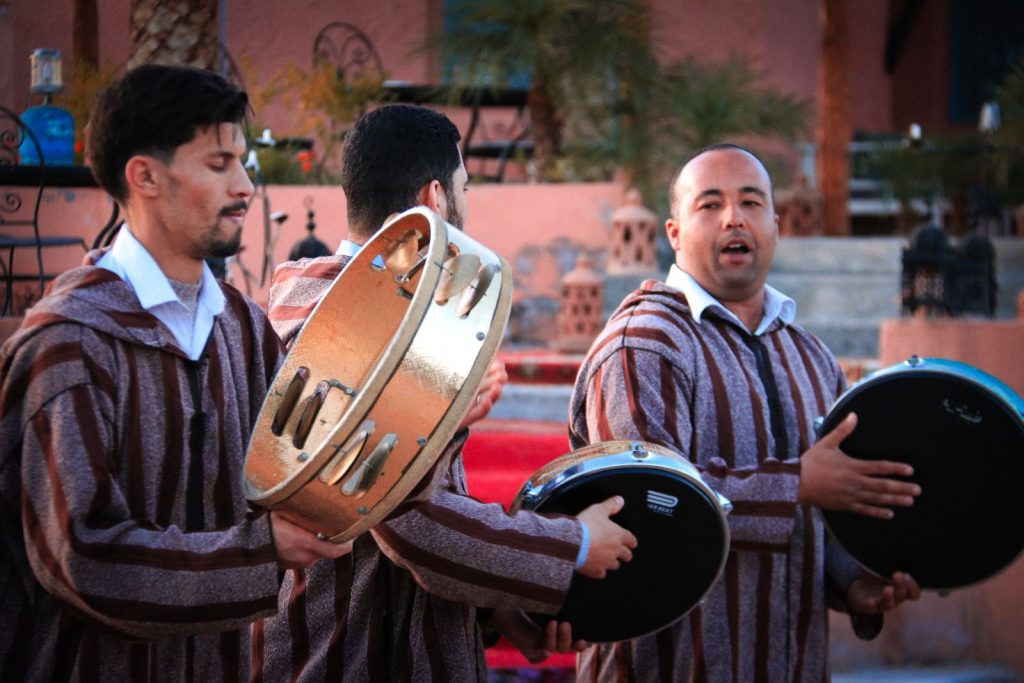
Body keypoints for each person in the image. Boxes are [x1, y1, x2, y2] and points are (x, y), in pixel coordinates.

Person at [254, 104, 637, 681]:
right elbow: (413, 525)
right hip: (359, 656)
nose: (466, 205)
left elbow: (413, 501)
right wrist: (573, 545)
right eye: (464, 187)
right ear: (435, 197)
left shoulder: (305, 302)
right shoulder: (374, 324)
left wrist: (496, 605)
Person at [0, 65, 350, 681]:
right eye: (218, 164)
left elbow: (302, 459)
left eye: (242, 163)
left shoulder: (242, 328)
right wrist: (259, 549)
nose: (244, 186)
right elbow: (84, 558)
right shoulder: (67, 343)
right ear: (145, 177)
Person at [568, 144, 922, 681]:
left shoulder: (813, 357)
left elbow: (826, 511)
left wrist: (852, 583)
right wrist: (796, 484)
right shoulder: (642, 342)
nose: (734, 217)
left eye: (751, 203)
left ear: (775, 225)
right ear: (674, 233)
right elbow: (645, 505)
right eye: (709, 205)